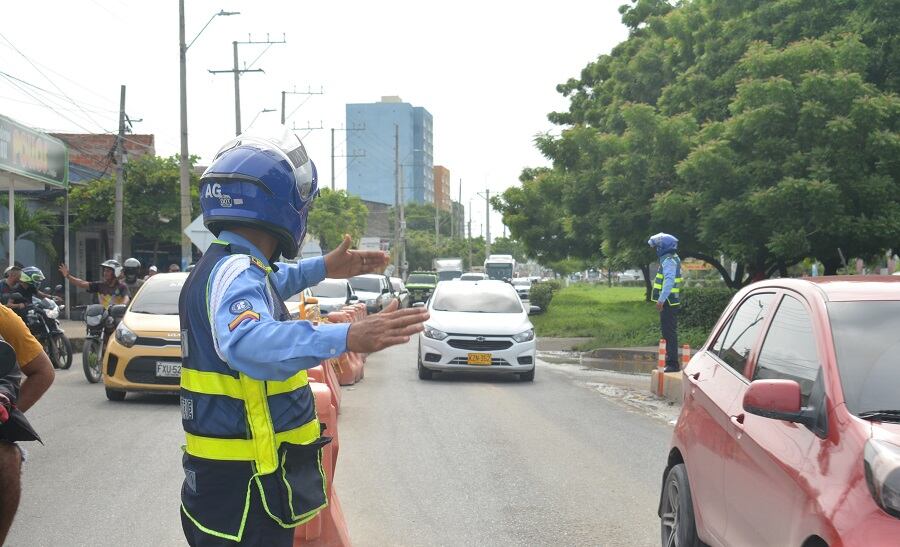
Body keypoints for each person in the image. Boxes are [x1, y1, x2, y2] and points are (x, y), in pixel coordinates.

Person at [179, 126, 428, 546]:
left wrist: (323, 267)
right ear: (283, 206)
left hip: (223, 490)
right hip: (248, 495)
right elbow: (248, 343)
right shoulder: (237, 270)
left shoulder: (224, 265)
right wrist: (345, 336)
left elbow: (270, 283)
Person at [648, 233, 682, 373]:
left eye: (657, 247)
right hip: (670, 301)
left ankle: (672, 364)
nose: (656, 250)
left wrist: (661, 300)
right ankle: (671, 362)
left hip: (668, 302)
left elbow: (668, 282)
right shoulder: (673, 258)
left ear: (663, 247)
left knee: (669, 333)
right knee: (669, 332)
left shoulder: (668, 261)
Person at [58, 260, 130, 309]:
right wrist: (67, 276)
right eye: (104, 271)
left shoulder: (122, 287)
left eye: (108, 271)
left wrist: (121, 307)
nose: (105, 273)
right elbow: (82, 283)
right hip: (103, 316)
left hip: (117, 316)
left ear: (116, 272)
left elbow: (126, 299)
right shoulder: (100, 285)